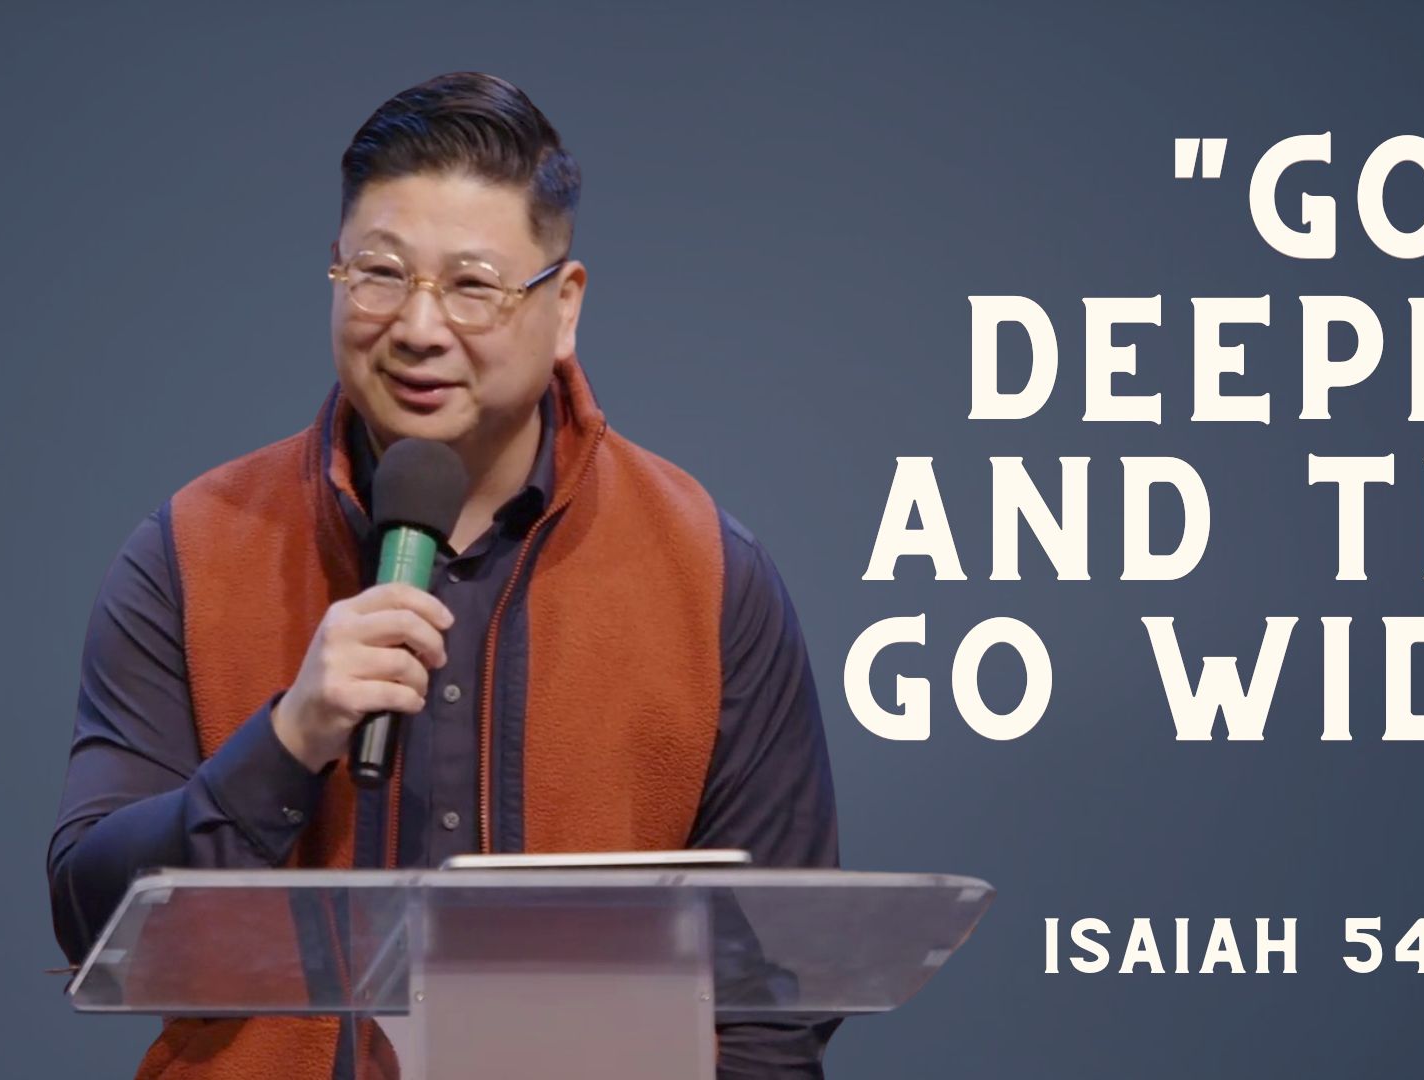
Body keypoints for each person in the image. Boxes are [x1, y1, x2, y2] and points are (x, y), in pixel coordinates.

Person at [47, 71, 840, 1079]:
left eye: (472, 286)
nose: (419, 328)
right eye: (379, 274)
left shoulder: (709, 570)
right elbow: (90, 918)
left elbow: (778, 995)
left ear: (564, 307)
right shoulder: (191, 551)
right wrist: (288, 741)